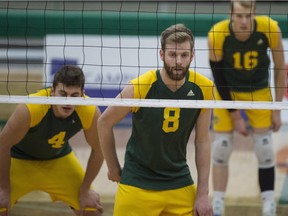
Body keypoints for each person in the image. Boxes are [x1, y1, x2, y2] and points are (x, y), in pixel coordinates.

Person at [98, 23, 214, 216]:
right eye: (172, 55)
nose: (178, 61)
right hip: (138, 181)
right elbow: (104, 122)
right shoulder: (141, 87)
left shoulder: (204, 88)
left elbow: (202, 141)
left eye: (184, 55)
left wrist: (203, 194)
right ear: (162, 55)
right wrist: (112, 167)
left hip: (178, 180)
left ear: (192, 56)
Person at [208, 0, 286, 216]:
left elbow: (280, 67)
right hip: (227, 92)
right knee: (221, 148)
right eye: (239, 16)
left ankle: (268, 205)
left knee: (265, 149)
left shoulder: (270, 28)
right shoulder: (217, 33)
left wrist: (277, 108)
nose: (244, 21)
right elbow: (219, 77)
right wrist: (235, 116)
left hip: (258, 91)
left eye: (248, 16)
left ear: (254, 14)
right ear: (231, 15)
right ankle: (218, 205)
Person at [0, 65, 104, 216]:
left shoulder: (89, 110)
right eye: (63, 94)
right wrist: (4, 188)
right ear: (52, 92)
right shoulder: (32, 107)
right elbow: (3, 145)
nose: (67, 101)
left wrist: (85, 189)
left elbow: (99, 149)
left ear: (82, 95)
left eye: (74, 95)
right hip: (18, 159)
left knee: (91, 207)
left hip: (58, 160)